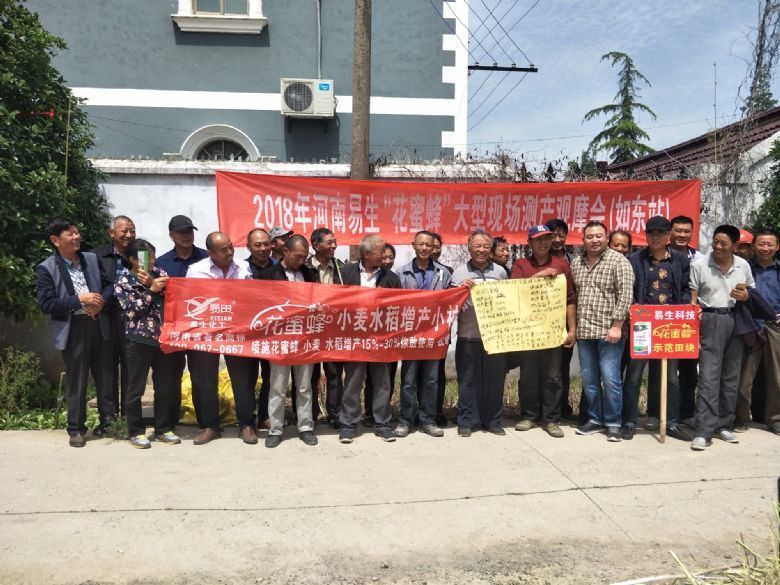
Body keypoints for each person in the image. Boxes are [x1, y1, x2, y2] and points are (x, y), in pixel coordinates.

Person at [35, 218, 114, 447]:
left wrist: (101, 303)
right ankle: (76, 429)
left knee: (105, 377)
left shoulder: (91, 258)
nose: (76, 237)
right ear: (55, 240)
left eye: (77, 232)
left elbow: (109, 286)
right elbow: (46, 304)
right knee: (77, 380)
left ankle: (108, 423)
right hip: (74, 328)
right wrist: (80, 299)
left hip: (98, 323)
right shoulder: (46, 268)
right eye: (70, 234)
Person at [622, 216, 693, 442]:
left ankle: (670, 422)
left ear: (668, 235)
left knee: (671, 377)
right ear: (646, 235)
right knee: (634, 376)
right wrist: (633, 307)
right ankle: (629, 421)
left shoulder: (680, 260)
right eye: (651, 233)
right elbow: (628, 289)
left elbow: (685, 290)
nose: (656, 237)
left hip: (670, 325)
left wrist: (686, 309)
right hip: (642, 325)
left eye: (661, 233)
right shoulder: (635, 259)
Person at [689, 224, 755, 451]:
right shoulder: (699, 265)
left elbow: (751, 292)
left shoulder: (743, 265)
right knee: (709, 375)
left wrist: (745, 296)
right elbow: (692, 298)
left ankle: (723, 425)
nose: (717, 246)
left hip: (737, 319)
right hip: (710, 319)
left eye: (723, 243)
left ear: (735, 246)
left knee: (730, 376)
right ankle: (704, 430)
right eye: (715, 241)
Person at [186, 231, 255, 445]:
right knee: (206, 380)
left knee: (242, 380)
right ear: (211, 253)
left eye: (231, 246)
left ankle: (246, 424)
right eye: (224, 249)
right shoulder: (196, 271)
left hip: (237, 331)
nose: (230, 252)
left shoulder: (243, 267)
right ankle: (210, 426)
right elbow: (188, 300)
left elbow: (253, 296)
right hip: (207, 332)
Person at [114, 239, 182, 449]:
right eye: (146, 257)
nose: (152, 260)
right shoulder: (124, 280)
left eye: (153, 255)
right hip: (138, 339)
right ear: (133, 259)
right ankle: (135, 431)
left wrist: (159, 286)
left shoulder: (160, 273)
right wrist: (151, 290)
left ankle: (163, 428)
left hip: (162, 338)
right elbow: (130, 311)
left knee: (164, 386)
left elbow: (175, 298)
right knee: (135, 388)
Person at [571, 221, 634, 442]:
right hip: (585, 331)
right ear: (583, 240)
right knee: (589, 380)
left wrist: (617, 326)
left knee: (610, 379)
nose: (594, 240)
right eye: (590, 237)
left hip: (609, 331)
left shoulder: (619, 261)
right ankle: (595, 419)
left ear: (607, 238)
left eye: (599, 236)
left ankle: (614, 422)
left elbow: (625, 295)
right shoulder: (576, 263)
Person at [511, 225, 577, 438]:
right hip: (528, 332)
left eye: (547, 238)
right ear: (529, 242)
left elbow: (570, 300)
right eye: (538, 239)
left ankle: (551, 419)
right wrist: (539, 276)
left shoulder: (561, 265)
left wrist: (572, 329)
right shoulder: (521, 265)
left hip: (553, 331)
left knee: (553, 376)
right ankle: (529, 415)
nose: (543, 243)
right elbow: (515, 293)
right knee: (528, 375)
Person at [338, 235, 402, 444]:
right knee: (352, 382)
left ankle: (382, 424)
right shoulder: (345, 274)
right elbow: (335, 303)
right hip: (355, 338)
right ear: (366, 254)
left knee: (382, 383)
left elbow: (401, 306)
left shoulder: (391, 278)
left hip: (380, 339)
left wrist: (386, 300)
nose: (384, 255)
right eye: (380, 251)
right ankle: (348, 424)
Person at [257, 235, 319, 448]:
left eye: (304, 257)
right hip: (280, 340)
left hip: (304, 339)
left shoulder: (310, 274)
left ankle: (306, 427)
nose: (301, 261)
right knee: (277, 386)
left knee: (304, 387)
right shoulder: (268, 275)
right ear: (285, 252)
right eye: (297, 256)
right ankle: (275, 429)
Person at [394, 230, 452, 438]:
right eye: (421, 244)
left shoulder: (444, 273)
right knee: (408, 380)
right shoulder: (401, 273)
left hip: (434, 335)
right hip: (410, 336)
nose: (425, 248)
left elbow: (452, 297)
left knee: (431, 380)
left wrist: (463, 288)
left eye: (429, 245)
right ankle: (405, 421)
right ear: (413, 245)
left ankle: (428, 420)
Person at [452, 229, 509, 437]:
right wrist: (461, 290)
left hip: (495, 337)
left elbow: (509, 300)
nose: (481, 250)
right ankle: (466, 421)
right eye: (477, 246)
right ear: (469, 248)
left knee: (495, 380)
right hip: (468, 335)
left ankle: (493, 421)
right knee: (467, 380)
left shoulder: (500, 272)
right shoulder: (459, 273)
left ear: (491, 249)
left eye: (486, 246)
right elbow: (451, 304)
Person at [90, 215, 136, 428]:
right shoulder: (96, 256)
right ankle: (108, 421)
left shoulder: (140, 254)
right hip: (105, 318)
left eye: (132, 230)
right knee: (106, 369)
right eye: (124, 230)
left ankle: (129, 419)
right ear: (111, 233)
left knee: (131, 368)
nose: (129, 235)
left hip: (133, 318)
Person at [734, 228, 780, 435]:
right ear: (753, 246)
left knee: (776, 377)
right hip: (750, 325)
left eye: (770, 244)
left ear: (777, 247)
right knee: (744, 377)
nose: (765, 248)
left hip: (774, 326)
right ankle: (741, 417)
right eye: (761, 244)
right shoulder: (743, 268)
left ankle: (775, 418)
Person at [307, 227, 345, 429]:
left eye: (334, 242)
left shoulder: (341, 268)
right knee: (309, 376)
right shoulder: (305, 267)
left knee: (334, 375)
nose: (334, 246)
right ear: (316, 245)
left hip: (333, 328)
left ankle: (335, 414)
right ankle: (309, 415)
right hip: (309, 329)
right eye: (329, 242)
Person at [669, 215, 702, 427]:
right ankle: (664, 413)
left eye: (686, 231)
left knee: (689, 370)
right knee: (665, 372)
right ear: (670, 233)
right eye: (678, 231)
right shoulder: (659, 255)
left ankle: (687, 412)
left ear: (692, 233)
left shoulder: (700, 259)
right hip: (664, 321)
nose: (682, 235)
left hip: (691, 322)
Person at [545, 218, 578, 422]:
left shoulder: (575, 260)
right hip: (544, 321)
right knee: (543, 367)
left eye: (560, 235)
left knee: (563, 366)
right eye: (552, 235)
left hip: (567, 320)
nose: (557, 239)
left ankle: (563, 407)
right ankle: (541, 408)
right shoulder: (540, 259)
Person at [245, 228, 276, 431]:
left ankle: (265, 415)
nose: (263, 248)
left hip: (273, 331)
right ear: (248, 247)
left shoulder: (279, 268)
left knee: (270, 377)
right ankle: (247, 419)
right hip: (248, 331)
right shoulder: (242, 269)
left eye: (266, 244)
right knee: (247, 378)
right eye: (258, 245)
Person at [364, 242, 398, 423]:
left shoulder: (392, 278)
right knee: (360, 377)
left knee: (384, 378)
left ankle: (381, 417)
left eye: (390, 257)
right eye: (383, 256)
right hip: (359, 334)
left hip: (385, 335)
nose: (386, 260)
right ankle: (363, 415)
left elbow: (401, 305)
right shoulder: (350, 274)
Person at [430, 232, 452, 427]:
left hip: (439, 333)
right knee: (414, 376)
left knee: (437, 375)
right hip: (413, 334)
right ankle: (414, 413)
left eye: (437, 247)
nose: (434, 250)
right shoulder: (405, 271)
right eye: (431, 246)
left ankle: (436, 411)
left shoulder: (447, 272)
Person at [608, 229, 633, 383]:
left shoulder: (631, 264)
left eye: (624, 246)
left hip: (623, 328)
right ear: (608, 244)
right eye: (616, 245)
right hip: (599, 328)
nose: (619, 249)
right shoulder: (598, 263)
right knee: (593, 374)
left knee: (615, 373)